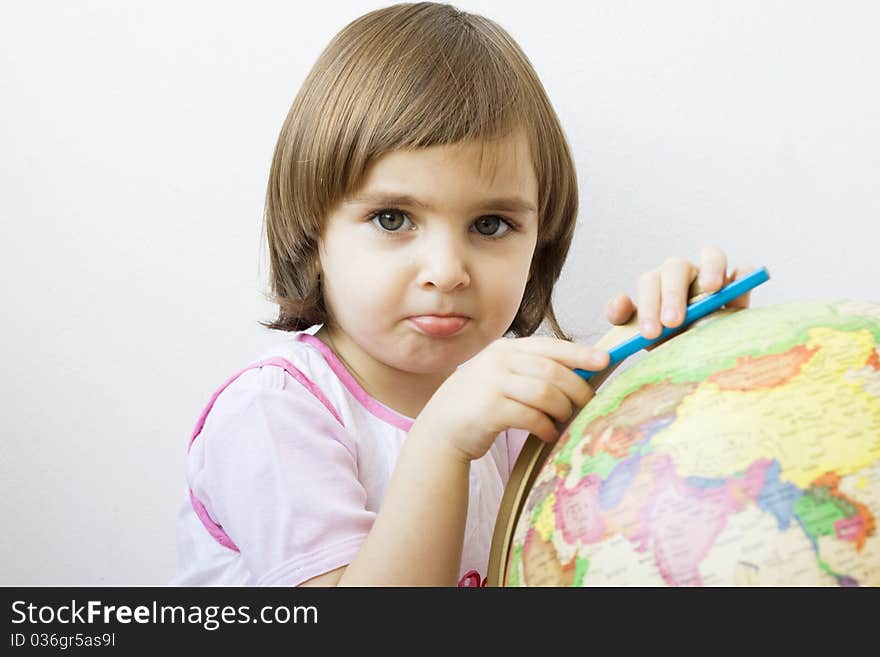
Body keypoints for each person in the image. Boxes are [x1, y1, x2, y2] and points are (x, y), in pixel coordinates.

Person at [172, 2, 754, 587]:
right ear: (312, 229)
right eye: (394, 219)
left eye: (491, 225)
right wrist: (442, 439)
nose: (447, 273)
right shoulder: (273, 413)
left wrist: (672, 358)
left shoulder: (515, 401)